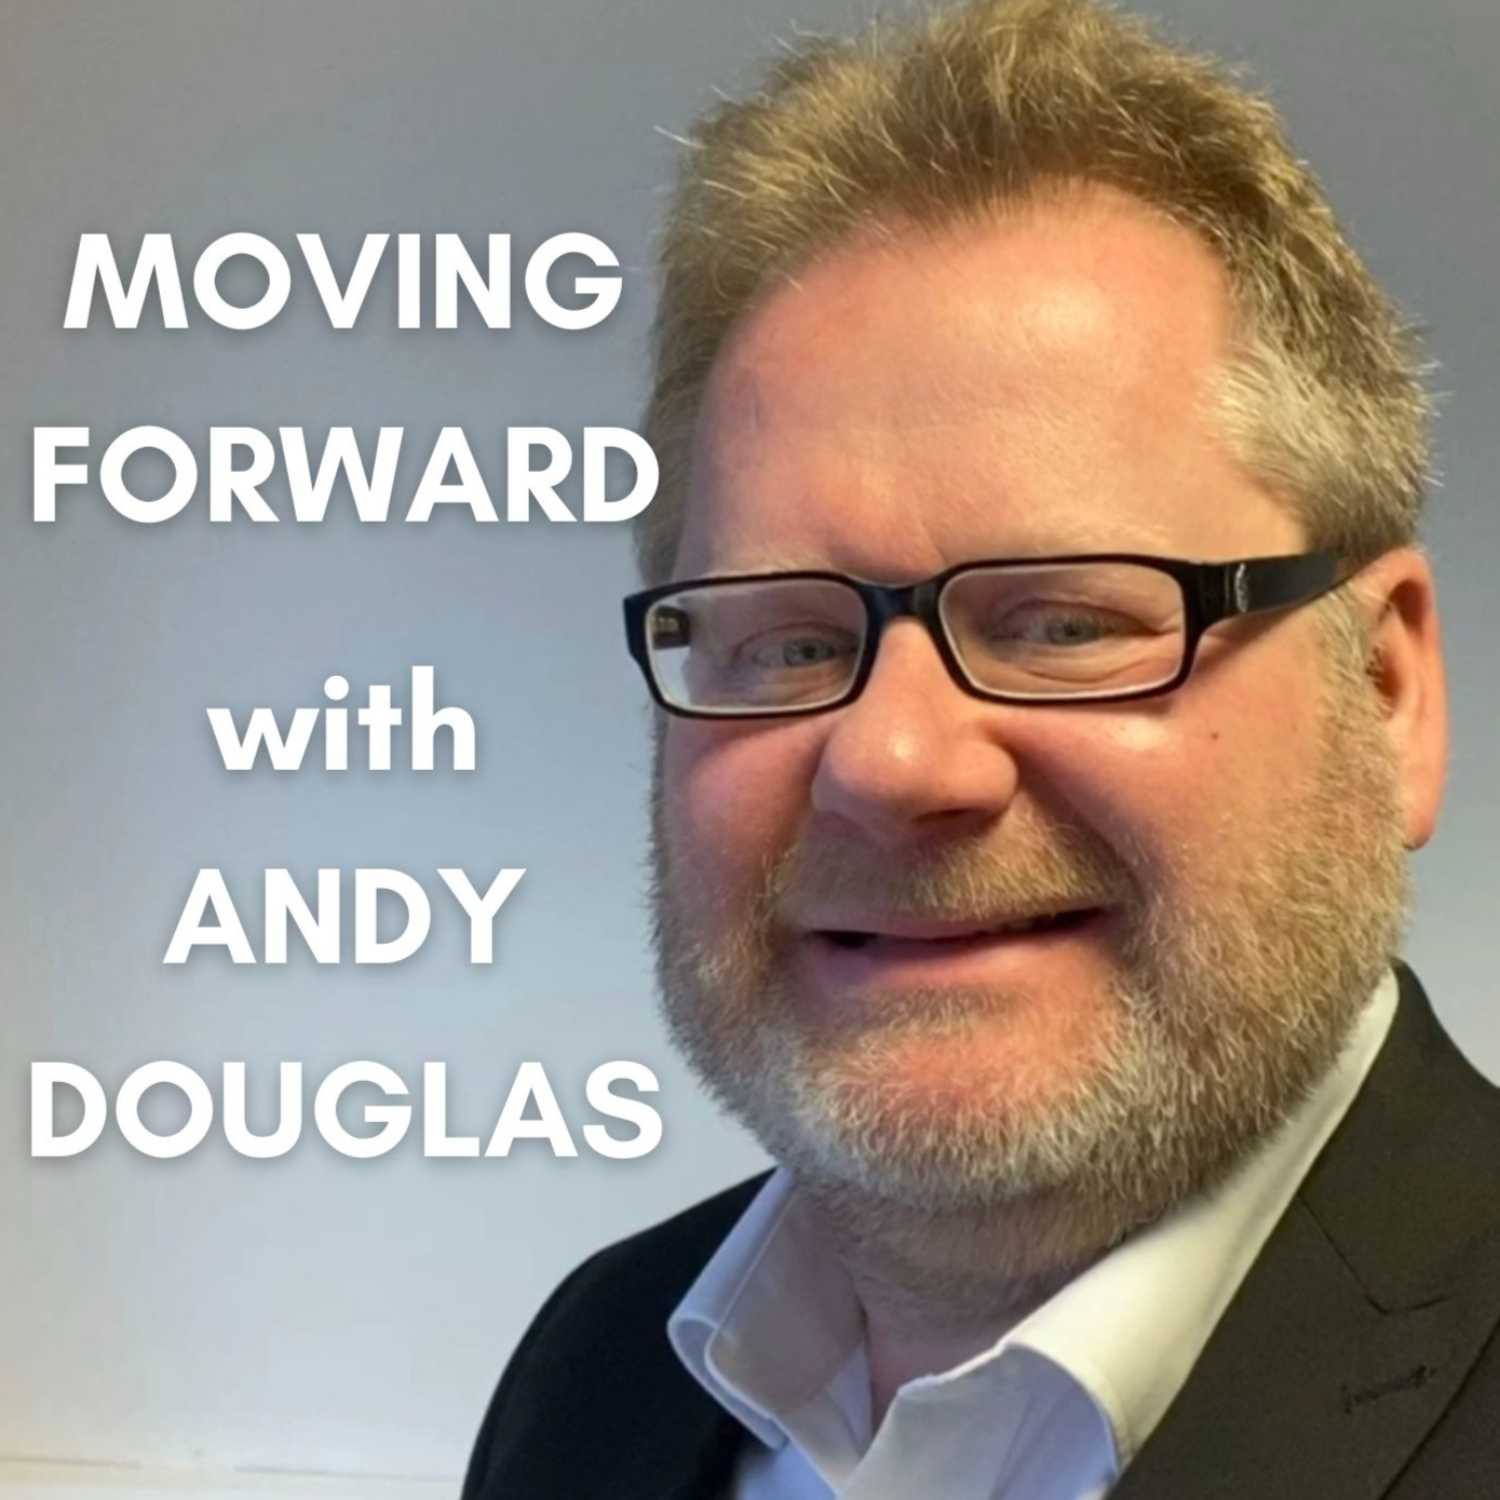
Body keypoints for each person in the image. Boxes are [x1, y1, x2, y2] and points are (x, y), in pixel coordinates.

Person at [462, 0, 1500, 1494]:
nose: (891, 762)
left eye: (1067, 621)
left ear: (1389, 693)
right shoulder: (595, 1367)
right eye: (791, 643)